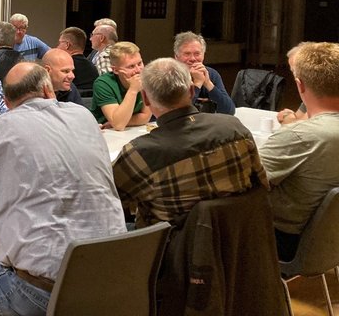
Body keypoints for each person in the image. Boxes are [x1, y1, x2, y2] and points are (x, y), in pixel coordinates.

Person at [0, 62, 126, 316]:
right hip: (113, 274)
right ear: (47, 90)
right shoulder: (84, 117)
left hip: (42, 288)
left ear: (6, 102)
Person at [112, 58, 268, 228]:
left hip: (170, 243)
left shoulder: (139, 153)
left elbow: (109, 199)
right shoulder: (235, 129)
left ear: (146, 99)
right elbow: (261, 185)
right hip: (240, 235)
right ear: (192, 91)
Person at [259, 42, 339, 261]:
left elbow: (242, 182)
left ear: (300, 85)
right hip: (330, 243)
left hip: (284, 242)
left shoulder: (299, 136)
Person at [91, 41, 151, 130]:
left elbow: (146, 117)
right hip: (105, 132)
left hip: (131, 131)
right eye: (131, 66)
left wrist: (119, 122)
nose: (138, 70)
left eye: (140, 63)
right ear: (115, 70)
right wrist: (133, 90)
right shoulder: (103, 83)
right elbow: (119, 125)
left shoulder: (146, 78)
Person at [173, 31, 235, 115]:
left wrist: (208, 83)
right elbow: (176, 113)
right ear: (176, 57)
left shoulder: (211, 74)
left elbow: (229, 111)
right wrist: (197, 84)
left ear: (203, 56)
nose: (192, 58)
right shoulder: (169, 76)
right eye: (187, 54)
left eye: (197, 54)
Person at [277, 43, 311, 125]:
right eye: (293, 71)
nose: (295, 75)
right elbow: (298, 117)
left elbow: (303, 125)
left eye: (296, 70)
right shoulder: (309, 93)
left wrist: (289, 119)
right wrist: (289, 116)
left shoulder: (323, 92)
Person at [57, 26, 98, 92]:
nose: (57, 46)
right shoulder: (93, 68)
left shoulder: (64, 67)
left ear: (67, 45)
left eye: (60, 43)